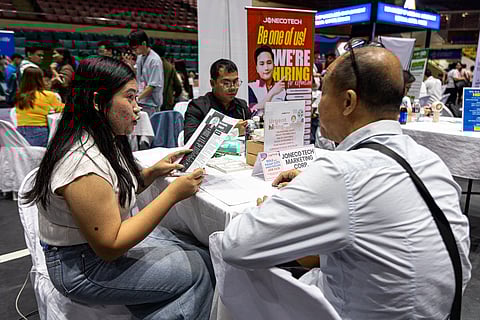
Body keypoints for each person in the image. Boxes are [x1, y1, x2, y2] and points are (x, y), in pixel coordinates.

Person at [222, 46, 471, 319]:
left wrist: (279, 204)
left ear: (348, 102)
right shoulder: (430, 161)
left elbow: (237, 245)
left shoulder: (341, 172)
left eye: (325, 92)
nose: (318, 104)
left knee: (228, 258)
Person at [23, 56, 214, 319]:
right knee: (199, 271)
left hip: (87, 255)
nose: (138, 109)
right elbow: (110, 244)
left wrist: (150, 173)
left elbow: (112, 194)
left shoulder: (100, 138)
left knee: (199, 253)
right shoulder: (82, 163)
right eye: (130, 97)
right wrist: (172, 194)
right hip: (84, 267)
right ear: (97, 102)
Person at [184, 59, 251, 142]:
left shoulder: (241, 106)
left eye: (235, 82)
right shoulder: (198, 107)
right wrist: (230, 130)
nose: (233, 88)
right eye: (226, 83)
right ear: (212, 83)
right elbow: (189, 140)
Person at [15, 67, 64, 147]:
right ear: (40, 79)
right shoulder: (48, 95)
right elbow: (61, 108)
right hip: (38, 131)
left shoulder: (19, 95)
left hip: (20, 131)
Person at [128, 29, 164, 115]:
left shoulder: (155, 60)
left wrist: (137, 98)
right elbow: (139, 76)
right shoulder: (140, 57)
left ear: (144, 44)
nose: (134, 51)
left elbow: (152, 85)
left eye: (135, 48)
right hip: (141, 100)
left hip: (152, 103)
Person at [248, 45, 286, 115]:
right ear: (257, 68)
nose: (266, 68)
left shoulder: (281, 89)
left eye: (269, 63)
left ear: (274, 65)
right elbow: (251, 109)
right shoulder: (251, 87)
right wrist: (272, 92)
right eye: (262, 64)